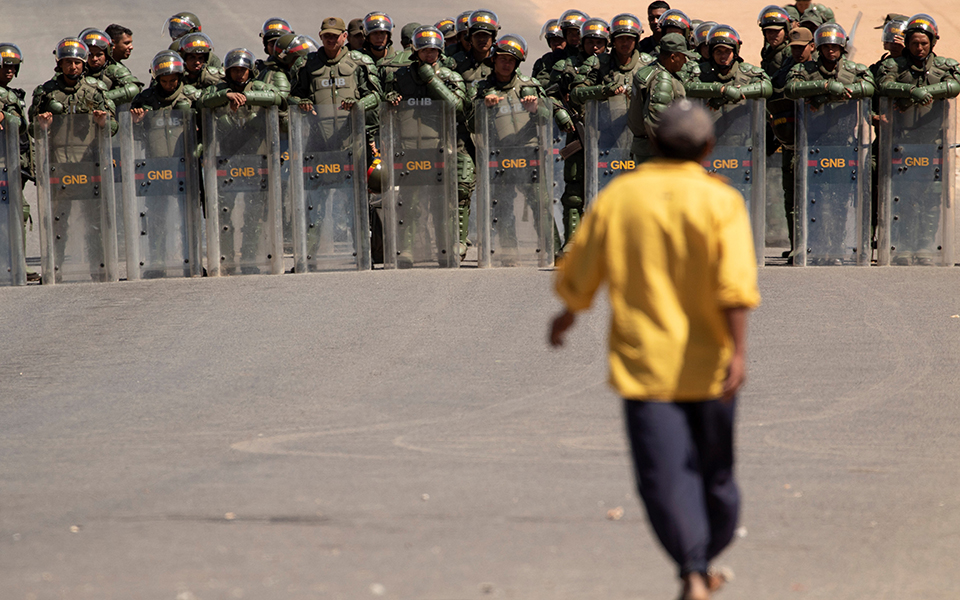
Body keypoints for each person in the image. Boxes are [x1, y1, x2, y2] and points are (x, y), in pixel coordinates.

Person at [549, 99, 760, 600]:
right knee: (717, 478)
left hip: (644, 368)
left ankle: (694, 566)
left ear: (655, 142)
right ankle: (700, 564)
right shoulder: (720, 201)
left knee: (663, 477)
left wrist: (567, 314)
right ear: (708, 149)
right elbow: (734, 287)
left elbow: (581, 271)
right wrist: (738, 353)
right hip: (710, 367)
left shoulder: (621, 196)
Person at [381, 25, 468, 267]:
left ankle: (445, 250)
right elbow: (385, 104)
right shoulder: (398, 77)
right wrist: (389, 99)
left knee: (443, 202)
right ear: (414, 50)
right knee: (409, 202)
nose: (429, 54)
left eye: (433, 50)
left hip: (441, 148)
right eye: (424, 50)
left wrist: (431, 78)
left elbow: (458, 106)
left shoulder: (451, 76)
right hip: (408, 149)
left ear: (440, 50)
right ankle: (407, 250)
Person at [0, 42, 37, 280]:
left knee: (18, 211)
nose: (10, 71)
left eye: (13, 67)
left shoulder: (11, 94)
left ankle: (17, 264)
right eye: (5, 67)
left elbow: (22, 126)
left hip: (11, 161)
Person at [627, 32, 687, 162]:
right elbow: (656, 122)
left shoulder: (649, 70)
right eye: (683, 57)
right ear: (673, 57)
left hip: (645, 149)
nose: (685, 61)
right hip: (657, 154)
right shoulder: (662, 78)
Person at [685, 25, 772, 111]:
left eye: (727, 51)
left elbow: (766, 87)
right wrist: (722, 90)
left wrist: (735, 94)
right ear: (712, 53)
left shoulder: (746, 72)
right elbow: (687, 87)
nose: (723, 56)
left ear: (735, 53)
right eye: (718, 52)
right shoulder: (701, 72)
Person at [79, 28, 142, 105]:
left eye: (99, 55)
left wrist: (100, 99)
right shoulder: (76, 69)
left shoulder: (114, 69)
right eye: (90, 55)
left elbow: (134, 89)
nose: (94, 59)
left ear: (107, 54)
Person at [532, 19, 566, 87]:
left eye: (560, 40)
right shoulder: (544, 62)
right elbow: (538, 82)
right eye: (553, 40)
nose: (556, 43)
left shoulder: (575, 59)